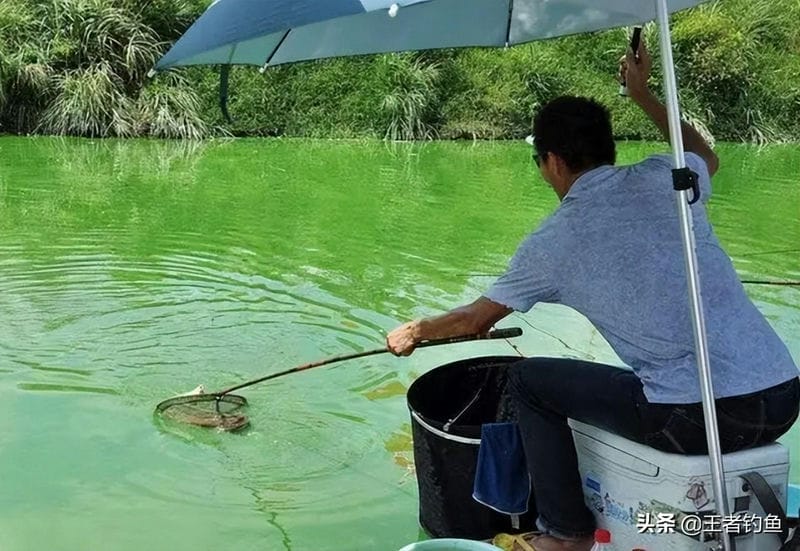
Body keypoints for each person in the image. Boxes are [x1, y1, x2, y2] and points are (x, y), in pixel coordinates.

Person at [386, 42, 800, 551]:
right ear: (609, 149)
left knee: (530, 380)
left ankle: (566, 536)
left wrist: (416, 331)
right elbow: (707, 156)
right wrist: (643, 95)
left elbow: (475, 320)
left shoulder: (552, 242)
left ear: (553, 161)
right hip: (781, 395)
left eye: (538, 162)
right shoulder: (664, 179)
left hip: (694, 421)